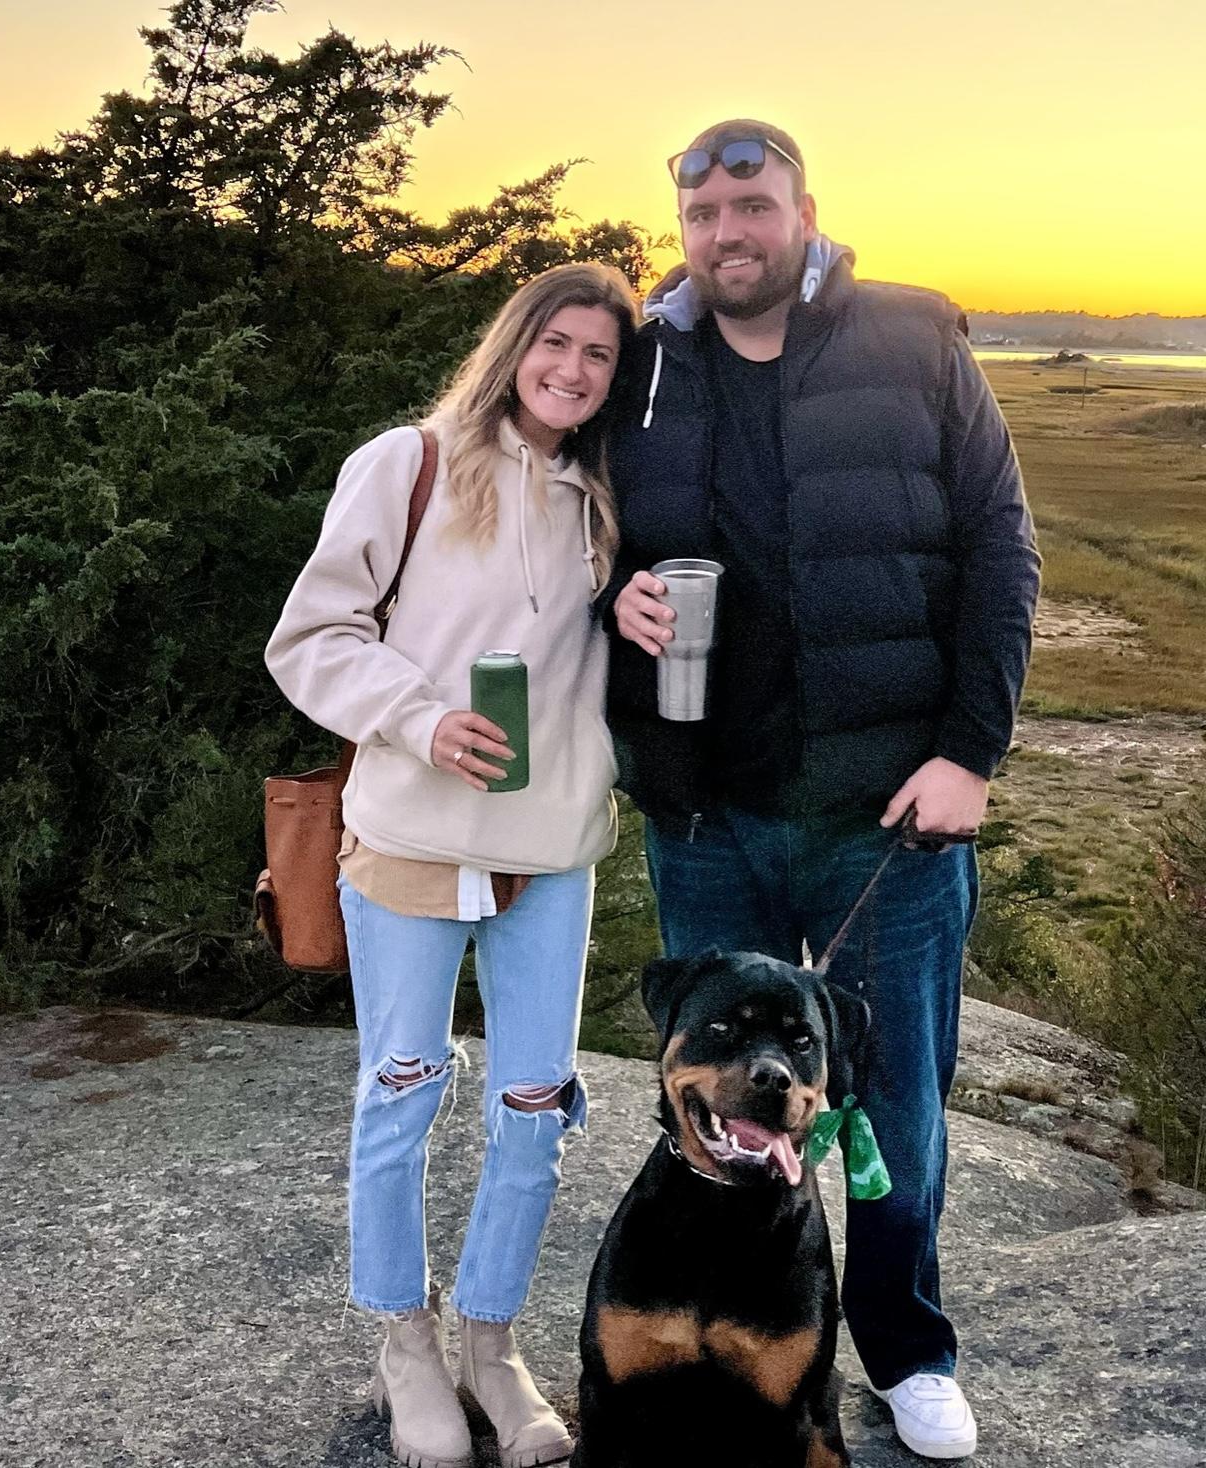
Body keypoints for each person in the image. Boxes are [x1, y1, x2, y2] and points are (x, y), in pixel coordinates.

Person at [602, 122, 1040, 1461]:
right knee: (721, 1097)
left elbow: (1001, 548)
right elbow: (579, 536)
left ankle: (904, 1349)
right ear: (682, 227)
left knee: (891, 1103)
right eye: (703, 213)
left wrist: (970, 752)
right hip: (707, 816)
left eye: (753, 205)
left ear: (803, 212)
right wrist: (609, 603)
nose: (727, 232)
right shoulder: (643, 365)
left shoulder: (913, 338)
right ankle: (732, 1340)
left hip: (885, 817)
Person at [266, 262, 639, 1468]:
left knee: (535, 1108)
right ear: (514, 344)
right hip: (412, 838)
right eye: (556, 342)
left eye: (599, 354)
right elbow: (311, 636)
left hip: (551, 851)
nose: (572, 369)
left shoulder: (605, 499)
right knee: (402, 1091)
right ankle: (403, 1343)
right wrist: (419, 719)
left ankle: (490, 1339)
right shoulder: (408, 463)